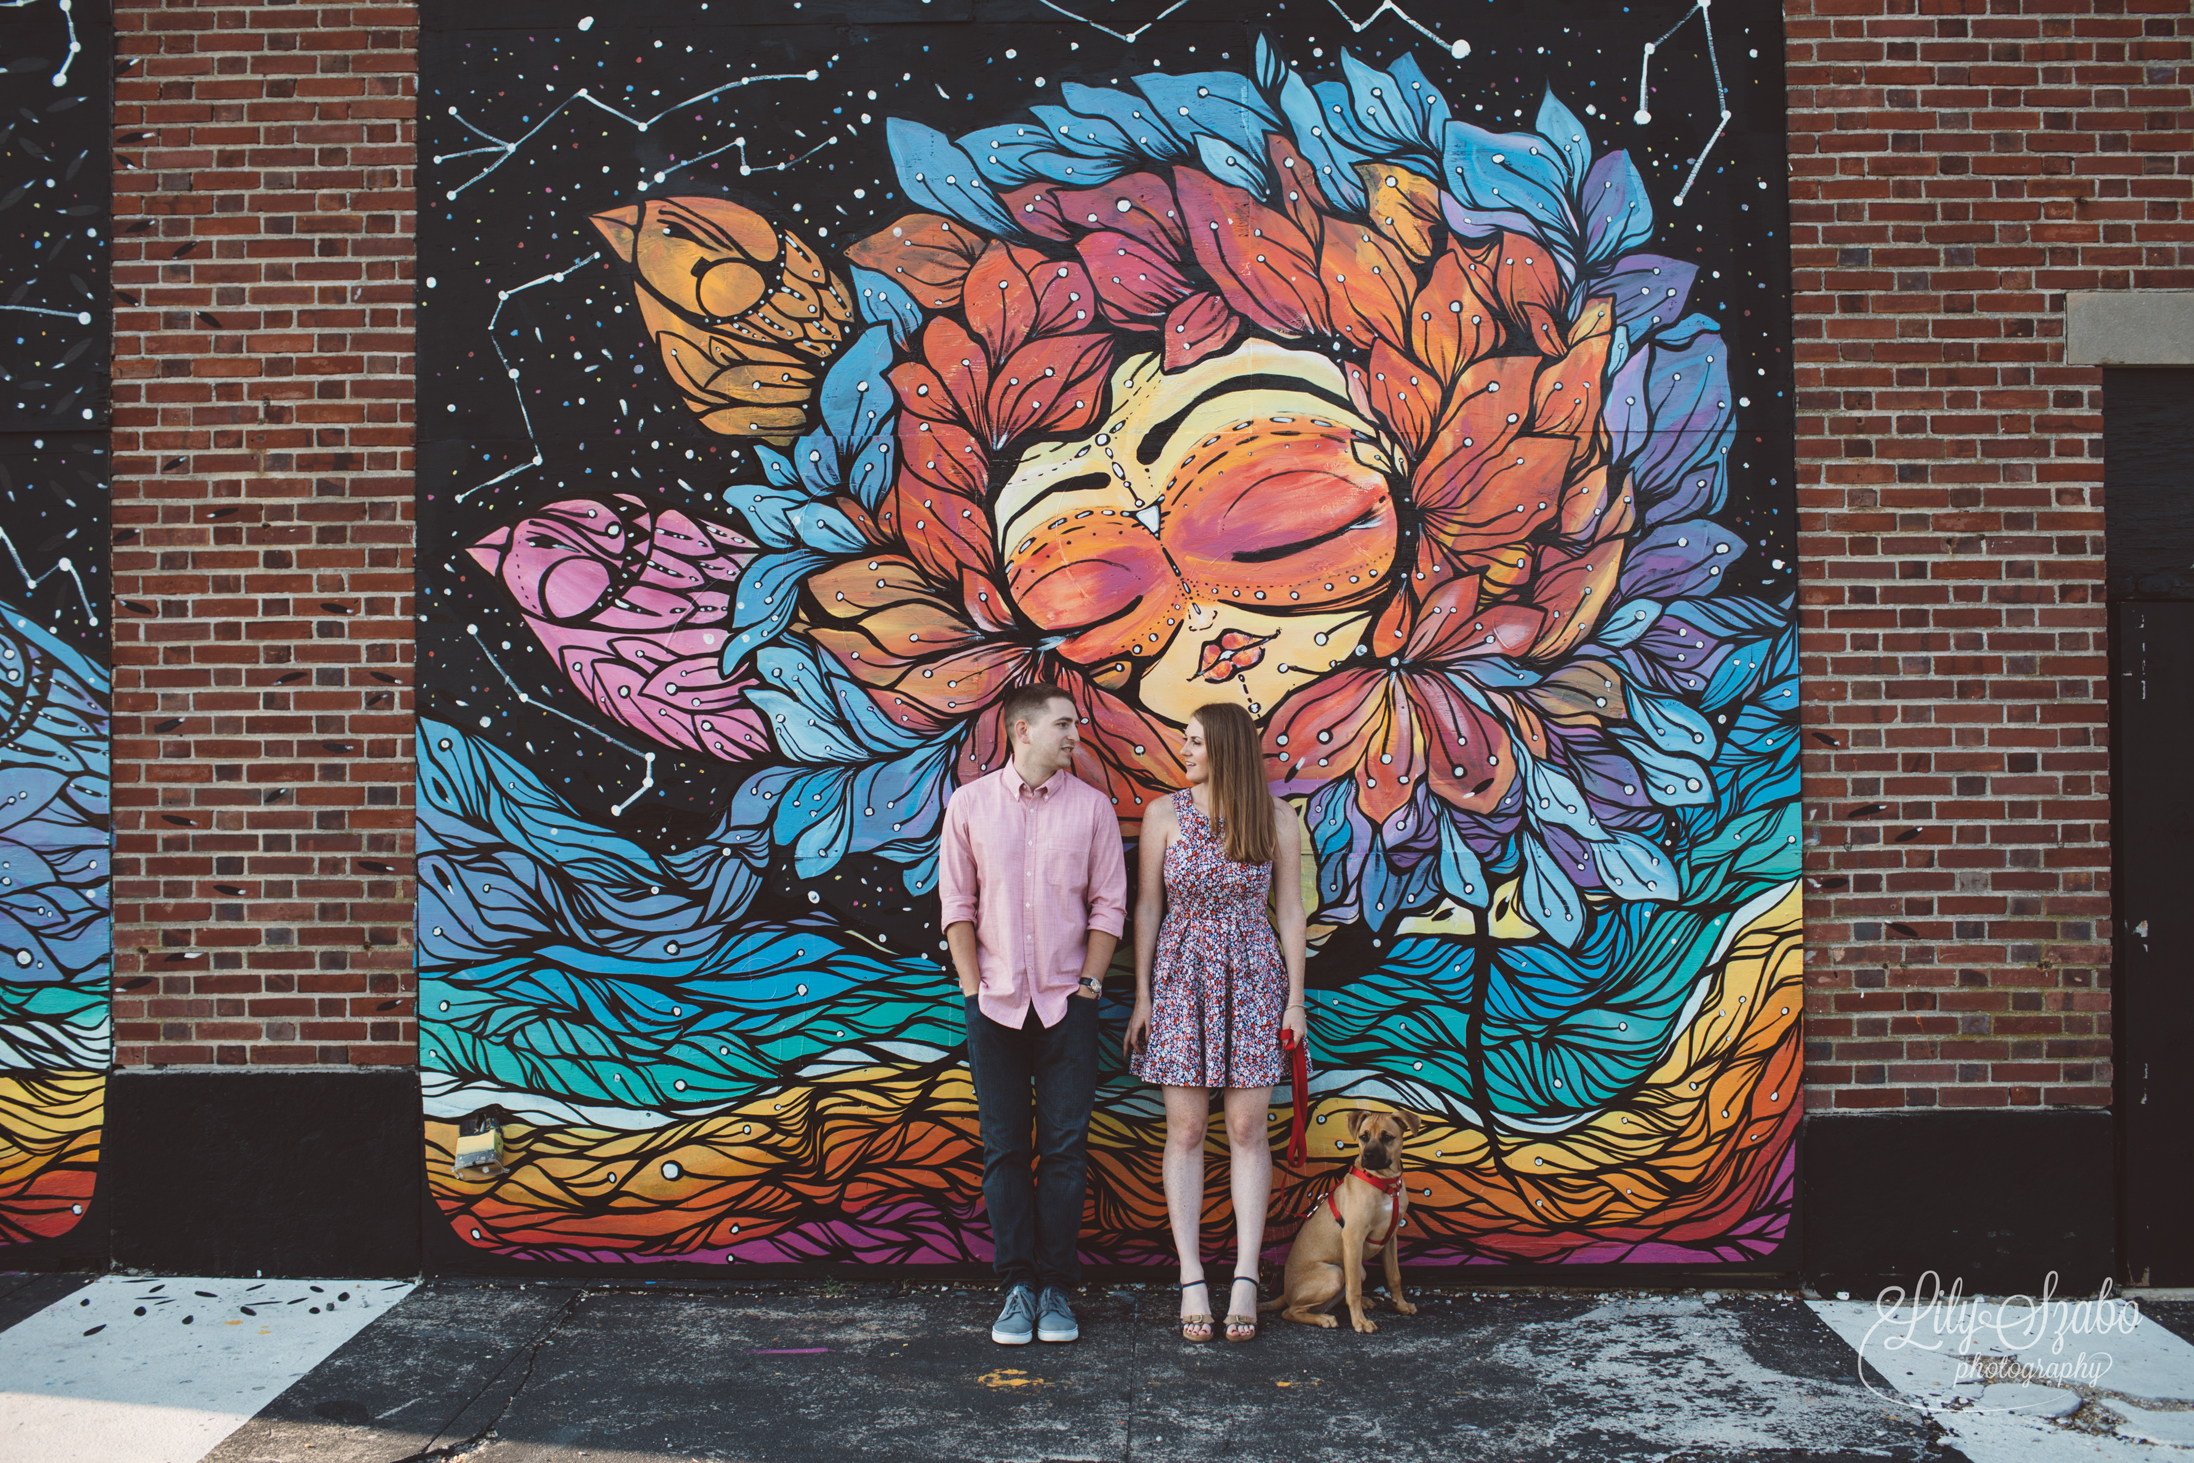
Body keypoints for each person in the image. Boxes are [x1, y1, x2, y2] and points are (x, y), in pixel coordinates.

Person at [939, 682, 1128, 1346]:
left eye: (1074, 724)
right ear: (1021, 731)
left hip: (1066, 1005)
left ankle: (1056, 1288)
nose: (1074, 734)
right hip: (992, 1003)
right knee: (1005, 1151)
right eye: (1062, 724)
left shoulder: (1093, 809)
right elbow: (957, 906)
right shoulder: (969, 806)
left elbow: (1109, 904)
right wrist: (971, 988)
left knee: (1067, 1152)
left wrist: (1090, 983)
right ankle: (1016, 1284)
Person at [1124, 701, 1308, 1343]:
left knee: (1247, 1127)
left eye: (1195, 740)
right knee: (1187, 1128)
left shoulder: (1276, 818)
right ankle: (1192, 1276)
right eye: (1185, 738)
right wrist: (1143, 993)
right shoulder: (1163, 815)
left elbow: (1290, 914)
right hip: (1181, 979)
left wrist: (1296, 1001)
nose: (1185, 749)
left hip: (1256, 981)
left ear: (1225, 747)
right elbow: (1147, 908)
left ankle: (1248, 1277)